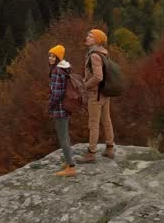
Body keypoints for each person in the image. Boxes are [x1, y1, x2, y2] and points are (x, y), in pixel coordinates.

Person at [79, 29, 115, 163]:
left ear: (97, 40)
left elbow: (98, 76)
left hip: (95, 94)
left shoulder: (94, 55)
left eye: (90, 36)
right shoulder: (103, 53)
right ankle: (110, 148)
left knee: (93, 123)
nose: (87, 37)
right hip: (105, 93)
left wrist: (85, 86)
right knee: (106, 120)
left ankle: (91, 153)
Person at [48, 44, 77, 177]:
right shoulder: (66, 69)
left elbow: (57, 93)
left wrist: (50, 105)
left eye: (53, 56)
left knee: (62, 137)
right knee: (66, 135)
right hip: (66, 107)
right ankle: (69, 162)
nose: (50, 58)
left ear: (59, 58)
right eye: (49, 55)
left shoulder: (56, 71)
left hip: (59, 108)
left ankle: (70, 167)